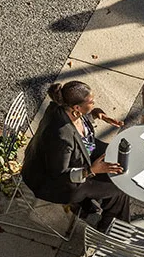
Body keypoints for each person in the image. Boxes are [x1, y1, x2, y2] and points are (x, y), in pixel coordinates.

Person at [21, 81, 131, 231]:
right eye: (91, 102)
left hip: (82, 154)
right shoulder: (61, 138)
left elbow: (81, 124)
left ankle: (92, 207)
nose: (94, 103)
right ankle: (110, 229)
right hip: (59, 185)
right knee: (119, 189)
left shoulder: (62, 107)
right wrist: (92, 171)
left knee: (117, 157)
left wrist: (96, 114)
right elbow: (58, 174)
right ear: (77, 108)